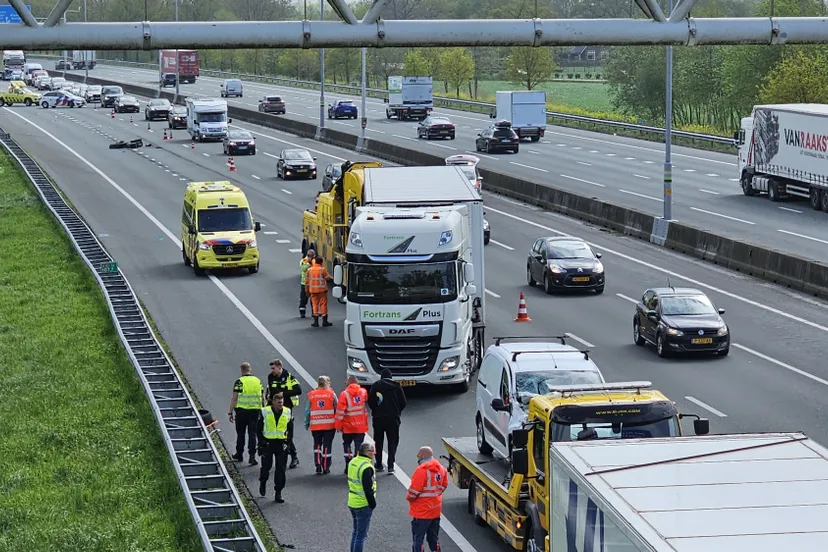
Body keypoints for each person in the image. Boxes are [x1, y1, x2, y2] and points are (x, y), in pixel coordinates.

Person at [406, 446, 449, 552]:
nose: (417, 456)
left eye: (419, 454)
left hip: (422, 512)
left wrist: (409, 498)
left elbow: (413, 492)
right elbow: (444, 485)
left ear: (424, 455)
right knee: (433, 538)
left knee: (418, 539)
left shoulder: (421, 470)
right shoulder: (441, 469)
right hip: (435, 510)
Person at [367, 368, 407, 474]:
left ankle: (379, 463)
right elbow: (403, 402)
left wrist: (376, 410)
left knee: (378, 441)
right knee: (393, 441)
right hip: (393, 418)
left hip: (378, 418)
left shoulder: (376, 386)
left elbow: (371, 401)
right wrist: (397, 411)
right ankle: (390, 465)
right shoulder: (397, 386)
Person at [267, 359, 302, 469]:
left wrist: (284, 393)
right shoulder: (271, 377)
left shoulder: (289, 377)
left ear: (279, 367)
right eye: (271, 368)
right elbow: (273, 392)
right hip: (274, 408)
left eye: (273, 368)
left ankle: (293, 456)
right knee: (278, 433)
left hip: (287, 408)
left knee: (286, 433)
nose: (272, 371)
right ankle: (284, 455)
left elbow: (298, 390)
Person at [257, 392, 291, 503]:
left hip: (281, 444)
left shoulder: (287, 412)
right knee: (266, 466)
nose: (280, 405)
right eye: (278, 402)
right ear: (273, 402)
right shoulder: (265, 411)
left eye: (282, 402)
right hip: (268, 443)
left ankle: (278, 492)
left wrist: (288, 443)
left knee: (280, 469)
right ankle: (263, 482)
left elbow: (290, 429)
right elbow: (259, 429)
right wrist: (261, 443)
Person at [228, 362, 264, 466]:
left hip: (241, 412)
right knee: (252, 434)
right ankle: (252, 456)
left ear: (241, 370)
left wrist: (230, 412)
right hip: (255, 412)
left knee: (241, 434)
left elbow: (234, 398)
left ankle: (239, 454)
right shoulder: (258, 381)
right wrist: (263, 410)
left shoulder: (239, 382)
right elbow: (262, 397)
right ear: (250, 369)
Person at [335, 375, 369, 473]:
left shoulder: (344, 394)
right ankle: (357, 465)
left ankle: (348, 464)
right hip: (360, 426)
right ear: (357, 382)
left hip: (348, 426)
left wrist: (338, 426)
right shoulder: (363, 392)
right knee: (358, 446)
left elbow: (340, 412)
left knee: (347, 444)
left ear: (347, 383)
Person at [305, 375, 338, 475]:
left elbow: (307, 411)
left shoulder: (312, 395)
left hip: (316, 425)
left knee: (317, 445)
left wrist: (307, 423)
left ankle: (318, 464)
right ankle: (326, 466)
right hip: (329, 425)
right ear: (328, 383)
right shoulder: (331, 394)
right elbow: (337, 407)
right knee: (327, 445)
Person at [347, 442, 377, 552]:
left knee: (356, 532)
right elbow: (367, 489)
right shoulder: (366, 467)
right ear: (367, 452)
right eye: (373, 451)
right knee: (361, 536)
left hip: (352, 501)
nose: (374, 453)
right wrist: (372, 504)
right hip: (363, 504)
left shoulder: (353, 462)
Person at [306, 256, 333, 328]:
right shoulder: (322, 269)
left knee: (315, 305)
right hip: (322, 291)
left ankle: (316, 322)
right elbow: (327, 278)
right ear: (321, 262)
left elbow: (307, 282)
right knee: (323, 304)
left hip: (313, 291)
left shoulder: (309, 270)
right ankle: (324, 321)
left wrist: (307, 291)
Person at [298, 249, 316, 318]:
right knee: (303, 299)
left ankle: (314, 312)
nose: (312, 258)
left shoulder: (314, 261)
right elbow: (303, 268)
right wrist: (309, 263)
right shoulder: (304, 261)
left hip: (312, 284)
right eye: (311, 257)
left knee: (313, 299)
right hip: (304, 284)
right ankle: (302, 312)